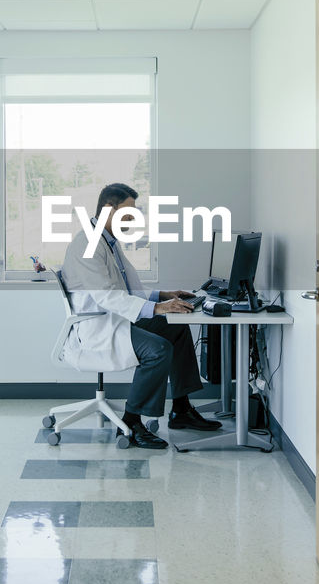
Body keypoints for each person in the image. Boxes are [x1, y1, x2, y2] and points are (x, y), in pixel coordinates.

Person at [59, 183, 223, 449]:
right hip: (97, 324)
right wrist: (158, 308)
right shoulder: (88, 244)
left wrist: (163, 295)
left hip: (115, 316)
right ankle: (132, 422)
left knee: (177, 328)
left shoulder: (106, 239)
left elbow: (127, 289)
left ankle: (181, 410)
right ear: (108, 210)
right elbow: (105, 296)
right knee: (157, 350)